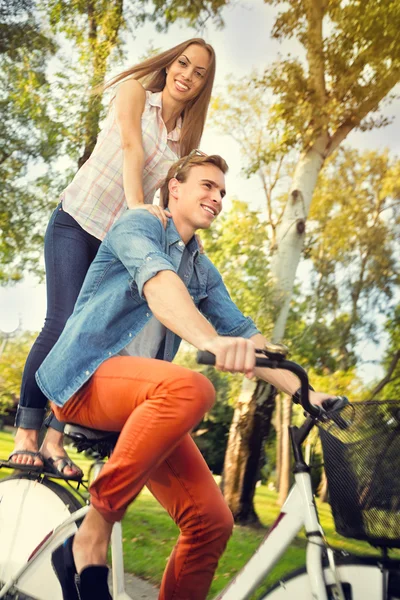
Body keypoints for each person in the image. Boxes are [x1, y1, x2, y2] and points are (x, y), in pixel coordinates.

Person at [35, 152, 338, 600]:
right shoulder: (137, 226)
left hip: (141, 409)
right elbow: (158, 284)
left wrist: (306, 393)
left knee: (211, 523)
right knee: (191, 387)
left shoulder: (201, 269)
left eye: (222, 192)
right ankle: (92, 532)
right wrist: (209, 342)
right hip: (81, 381)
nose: (216, 197)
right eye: (207, 186)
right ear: (174, 188)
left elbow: (246, 334)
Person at [10, 38, 216, 479]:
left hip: (115, 247)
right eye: (184, 64)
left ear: (203, 85)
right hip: (75, 221)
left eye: (199, 73)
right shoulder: (136, 93)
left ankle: (54, 438)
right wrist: (138, 203)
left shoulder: (187, 138)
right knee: (63, 323)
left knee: (96, 337)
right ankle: (26, 432)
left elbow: (174, 195)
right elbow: (130, 147)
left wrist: (181, 243)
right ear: (171, 64)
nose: (188, 75)